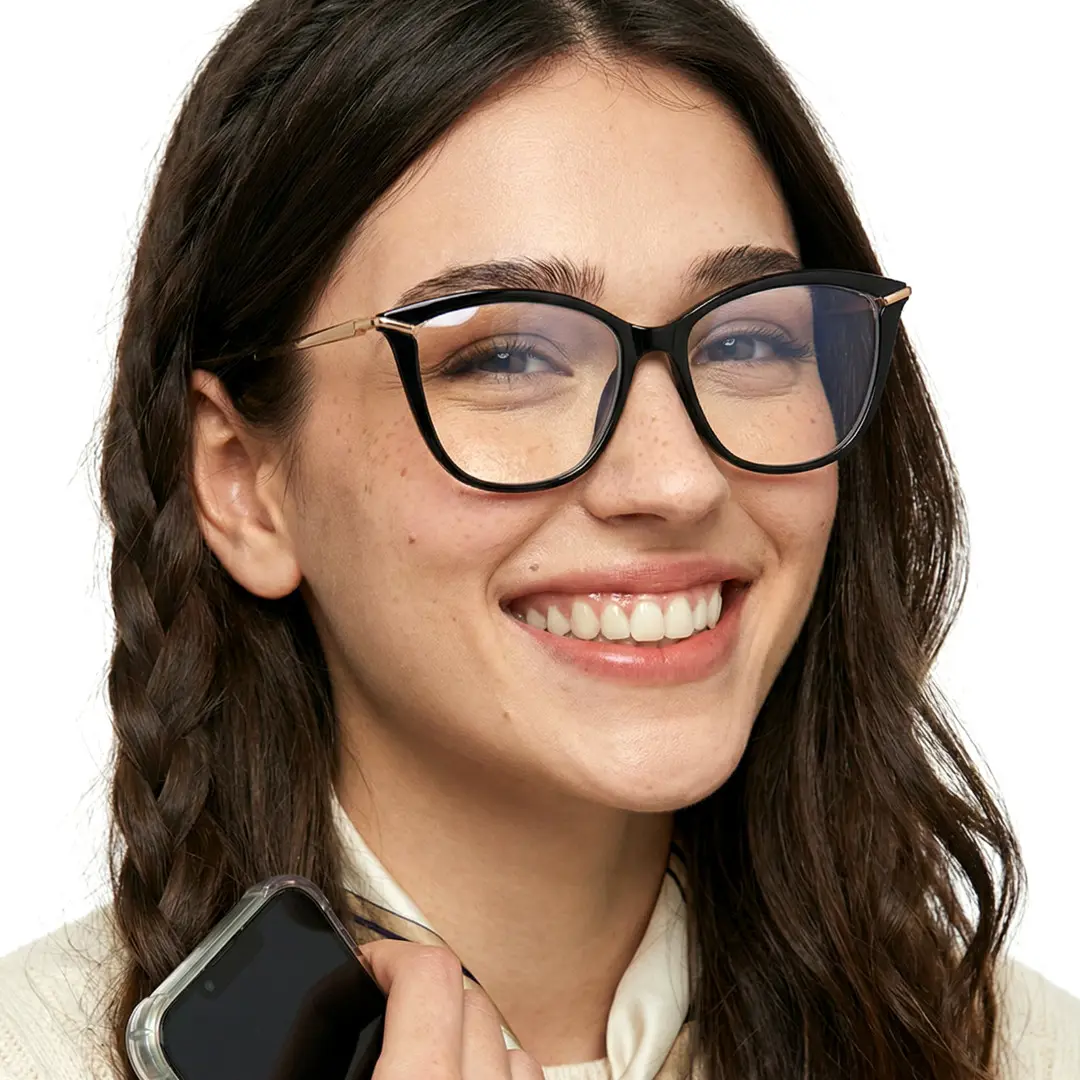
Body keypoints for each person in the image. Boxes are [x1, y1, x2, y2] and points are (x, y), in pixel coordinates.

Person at [1, 1, 1077, 1078]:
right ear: (243, 482)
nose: (675, 477)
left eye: (749, 337)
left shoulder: (1022, 1052)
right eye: (509, 358)